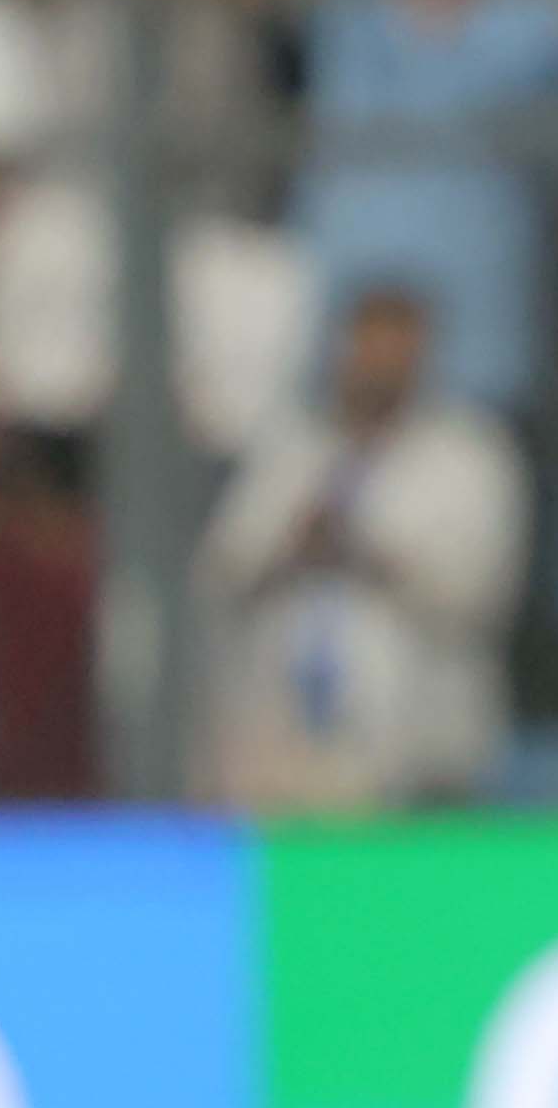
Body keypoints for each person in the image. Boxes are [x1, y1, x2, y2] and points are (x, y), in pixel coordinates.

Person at [194, 280, 530, 811]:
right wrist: (295, 547)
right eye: (368, 347)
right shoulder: (292, 446)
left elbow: (484, 594)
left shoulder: (468, 455)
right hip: (285, 760)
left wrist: (369, 554)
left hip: (422, 761)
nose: (379, 366)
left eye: (396, 351)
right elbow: (222, 571)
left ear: (423, 356)